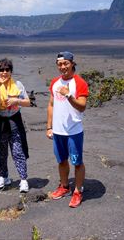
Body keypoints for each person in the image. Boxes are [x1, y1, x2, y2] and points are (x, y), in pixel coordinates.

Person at [46, 51, 89, 208]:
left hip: (74, 131)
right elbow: (51, 104)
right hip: (58, 131)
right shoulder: (55, 83)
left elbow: (82, 106)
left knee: (77, 162)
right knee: (62, 160)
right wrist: (49, 126)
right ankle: (64, 186)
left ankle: (78, 191)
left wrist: (69, 95)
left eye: (65, 63)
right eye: (59, 64)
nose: (62, 67)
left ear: (72, 64)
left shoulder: (79, 83)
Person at [0, 58, 31, 193]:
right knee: (1, 151)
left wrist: (15, 100)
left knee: (18, 150)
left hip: (14, 120)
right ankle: (3, 177)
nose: (4, 72)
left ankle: (23, 179)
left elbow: (27, 102)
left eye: (7, 70)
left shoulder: (18, 85)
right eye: (1, 70)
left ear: (11, 71)